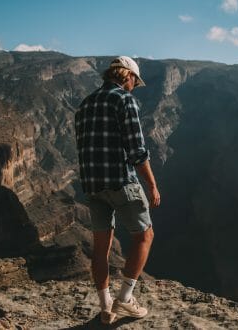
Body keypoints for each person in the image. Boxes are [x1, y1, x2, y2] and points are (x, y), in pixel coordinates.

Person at [75, 55, 160, 324]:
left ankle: (105, 308)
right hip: (121, 181)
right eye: (135, 80)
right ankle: (124, 300)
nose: (135, 86)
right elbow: (137, 150)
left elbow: (83, 148)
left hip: (92, 185)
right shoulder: (125, 100)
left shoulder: (84, 105)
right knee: (145, 236)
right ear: (128, 76)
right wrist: (152, 185)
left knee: (101, 248)